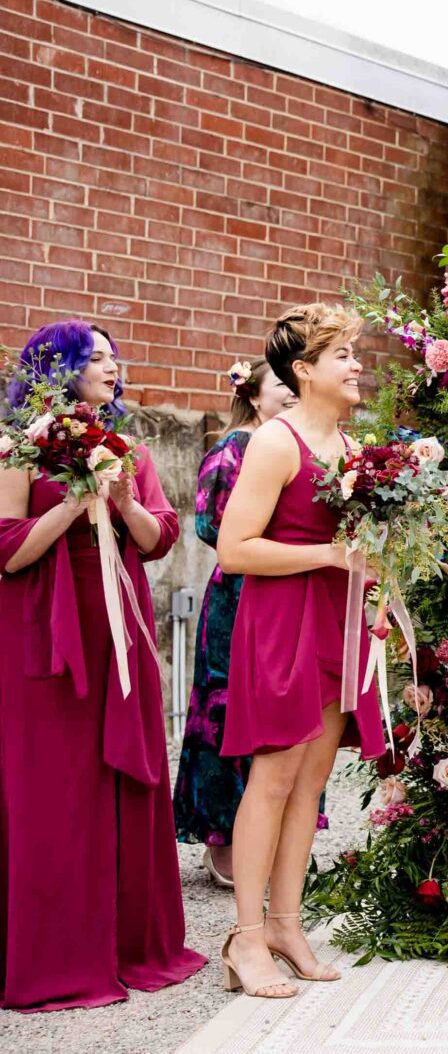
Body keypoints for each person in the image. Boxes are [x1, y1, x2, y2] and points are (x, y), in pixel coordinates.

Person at [0, 320, 206, 1011]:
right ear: (55, 368)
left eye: (116, 357)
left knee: (124, 777)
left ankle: (127, 944)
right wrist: (74, 504)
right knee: (51, 786)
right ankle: (54, 950)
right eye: (96, 357)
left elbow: (156, 538)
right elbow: (7, 550)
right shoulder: (16, 449)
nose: (112, 367)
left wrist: (118, 498)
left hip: (119, 624)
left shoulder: (130, 449)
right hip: (40, 631)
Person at [217, 303, 384, 998]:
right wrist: (331, 553)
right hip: (284, 621)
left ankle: (286, 924)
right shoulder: (276, 443)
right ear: (304, 369)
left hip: (338, 622)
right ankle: (246, 938)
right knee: (275, 777)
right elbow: (234, 547)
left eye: (354, 352)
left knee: (312, 782)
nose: (357, 365)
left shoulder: (352, 449)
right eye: (341, 354)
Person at [174, 359, 316, 887]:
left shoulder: (308, 442)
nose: (291, 394)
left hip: (296, 591)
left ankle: (279, 840)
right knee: (229, 712)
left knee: (290, 713)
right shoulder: (233, 448)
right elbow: (211, 524)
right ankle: (226, 839)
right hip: (239, 597)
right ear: (254, 397)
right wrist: (286, 543)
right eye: (281, 386)